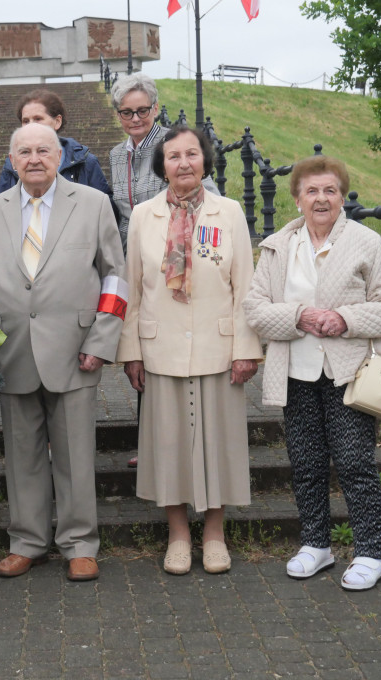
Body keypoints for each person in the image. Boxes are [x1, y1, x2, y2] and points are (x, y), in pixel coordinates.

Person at [0, 122, 126, 582]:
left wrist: (101, 341)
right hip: (12, 347)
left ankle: (80, 544)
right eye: (25, 151)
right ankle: (27, 542)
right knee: (22, 454)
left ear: (60, 156)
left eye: (44, 150)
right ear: (12, 160)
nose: (35, 158)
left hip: (77, 348)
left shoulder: (94, 204)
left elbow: (115, 278)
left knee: (77, 454)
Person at [243, 154, 381, 592]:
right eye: (311, 191)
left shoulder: (365, 242)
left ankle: (370, 552)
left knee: (354, 463)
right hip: (295, 372)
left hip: (348, 372)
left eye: (329, 190)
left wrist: (344, 319)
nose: (320, 199)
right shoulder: (278, 246)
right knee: (307, 464)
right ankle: (316, 545)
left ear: (342, 196)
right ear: (297, 198)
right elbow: (256, 309)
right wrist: (299, 316)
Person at [116, 125, 261, 575]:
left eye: (192, 154)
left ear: (205, 160)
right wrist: (131, 351)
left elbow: (245, 287)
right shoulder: (143, 215)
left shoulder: (229, 212)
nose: (183, 163)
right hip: (161, 348)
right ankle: (178, 535)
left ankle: (214, 534)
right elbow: (132, 287)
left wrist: (247, 349)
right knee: (169, 443)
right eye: (173, 156)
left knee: (220, 442)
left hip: (219, 345)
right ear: (161, 166)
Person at [108, 73, 217, 252]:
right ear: (118, 115)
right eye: (127, 112)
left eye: (142, 111)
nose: (135, 119)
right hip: (132, 255)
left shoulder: (174, 143)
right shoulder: (116, 154)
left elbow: (211, 197)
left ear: (155, 109)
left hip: (174, 250)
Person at [0, 89, 116, 217]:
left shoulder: (85, 161)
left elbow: (106, 211)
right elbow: (1, 211)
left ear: (57, 121)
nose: (31, 125)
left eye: (38, 119)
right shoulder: (11, 165)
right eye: (26, 121)